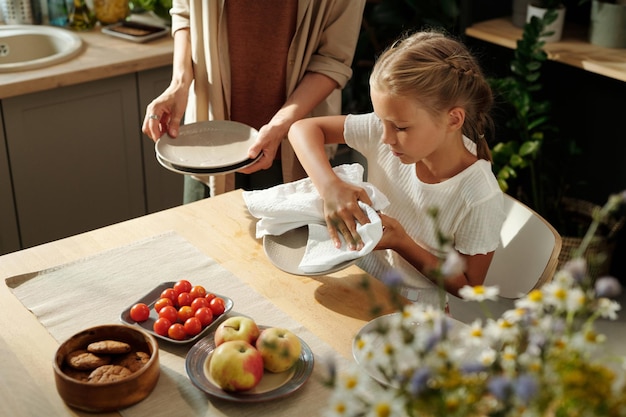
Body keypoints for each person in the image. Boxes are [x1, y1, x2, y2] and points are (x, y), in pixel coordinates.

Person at [288, 30, 505, 299]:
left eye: (401, 127)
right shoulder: (389, 130)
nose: (385, 137)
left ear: (453, 120)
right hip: (360, 277)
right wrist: (329, 186)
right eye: (381, 121)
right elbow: (302, 129)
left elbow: (469, 288)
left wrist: (401, 242)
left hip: (415, 307)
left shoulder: (479, 195)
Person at [142, 0, 366, 202]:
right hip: (206, 143)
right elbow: (185, 12)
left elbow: (332, 59)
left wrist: (279, 125)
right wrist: (179, 83)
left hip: (290, 145)